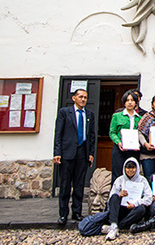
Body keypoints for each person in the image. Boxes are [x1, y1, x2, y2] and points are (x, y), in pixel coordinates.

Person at [53, 89, 96, 225]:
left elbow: (92, 135)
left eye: (85, 97)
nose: (83, 99)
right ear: (74, 98)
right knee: (65, 184)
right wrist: (57, 152)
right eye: (80, 97)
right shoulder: (64, 113)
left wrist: (91, 153)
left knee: (79, 184)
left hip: (82, 153)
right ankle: (63, 214)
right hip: (67, 153)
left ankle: (77, 212)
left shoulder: (89, 114)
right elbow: (58, 134)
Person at [105, 158, 152, 241]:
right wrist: (120, 195)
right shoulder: (119, 180)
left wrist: (136, 203)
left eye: (133, 168)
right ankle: (113, 224)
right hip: (121, 208)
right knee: (115, 197)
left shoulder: (142, 180)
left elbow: (148, 198)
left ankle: (118, 226)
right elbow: (111, 198)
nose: (130, 170)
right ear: (124, 168)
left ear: (137, 168)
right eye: (128, 168)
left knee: (141, 209)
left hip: (133, 210)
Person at [109, 90, 141, 184]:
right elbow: (112, 132)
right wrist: (118, 142)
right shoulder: (117, 116)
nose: (130, 102)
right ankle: (116, 196)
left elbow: (141, 134)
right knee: (117, 174)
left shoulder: (139, 118)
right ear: (124, 102)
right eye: (127, 100)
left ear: (136, 102)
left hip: (134, 150)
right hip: (120, 149)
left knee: (133, 174)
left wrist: (139, 143)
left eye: (132, 100)